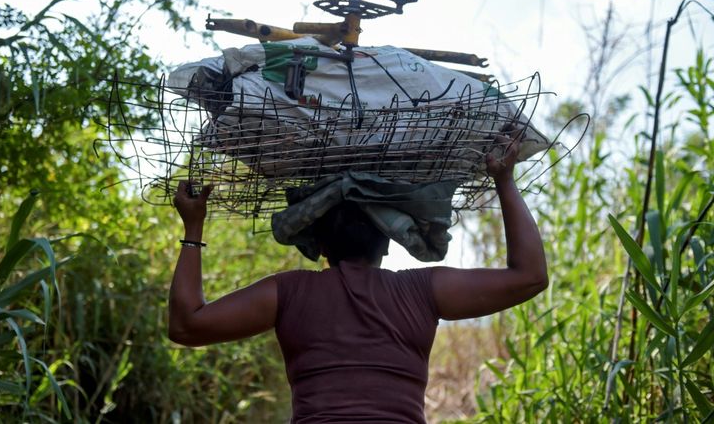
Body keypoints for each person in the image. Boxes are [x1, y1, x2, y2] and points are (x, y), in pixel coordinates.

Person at [168, 133, 548, 423]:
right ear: (388, 242)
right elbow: (530, 276)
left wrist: (194, 226)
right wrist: (504, 181)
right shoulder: (422, 292)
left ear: (320, 245)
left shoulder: (289, 293)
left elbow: (186, 325)